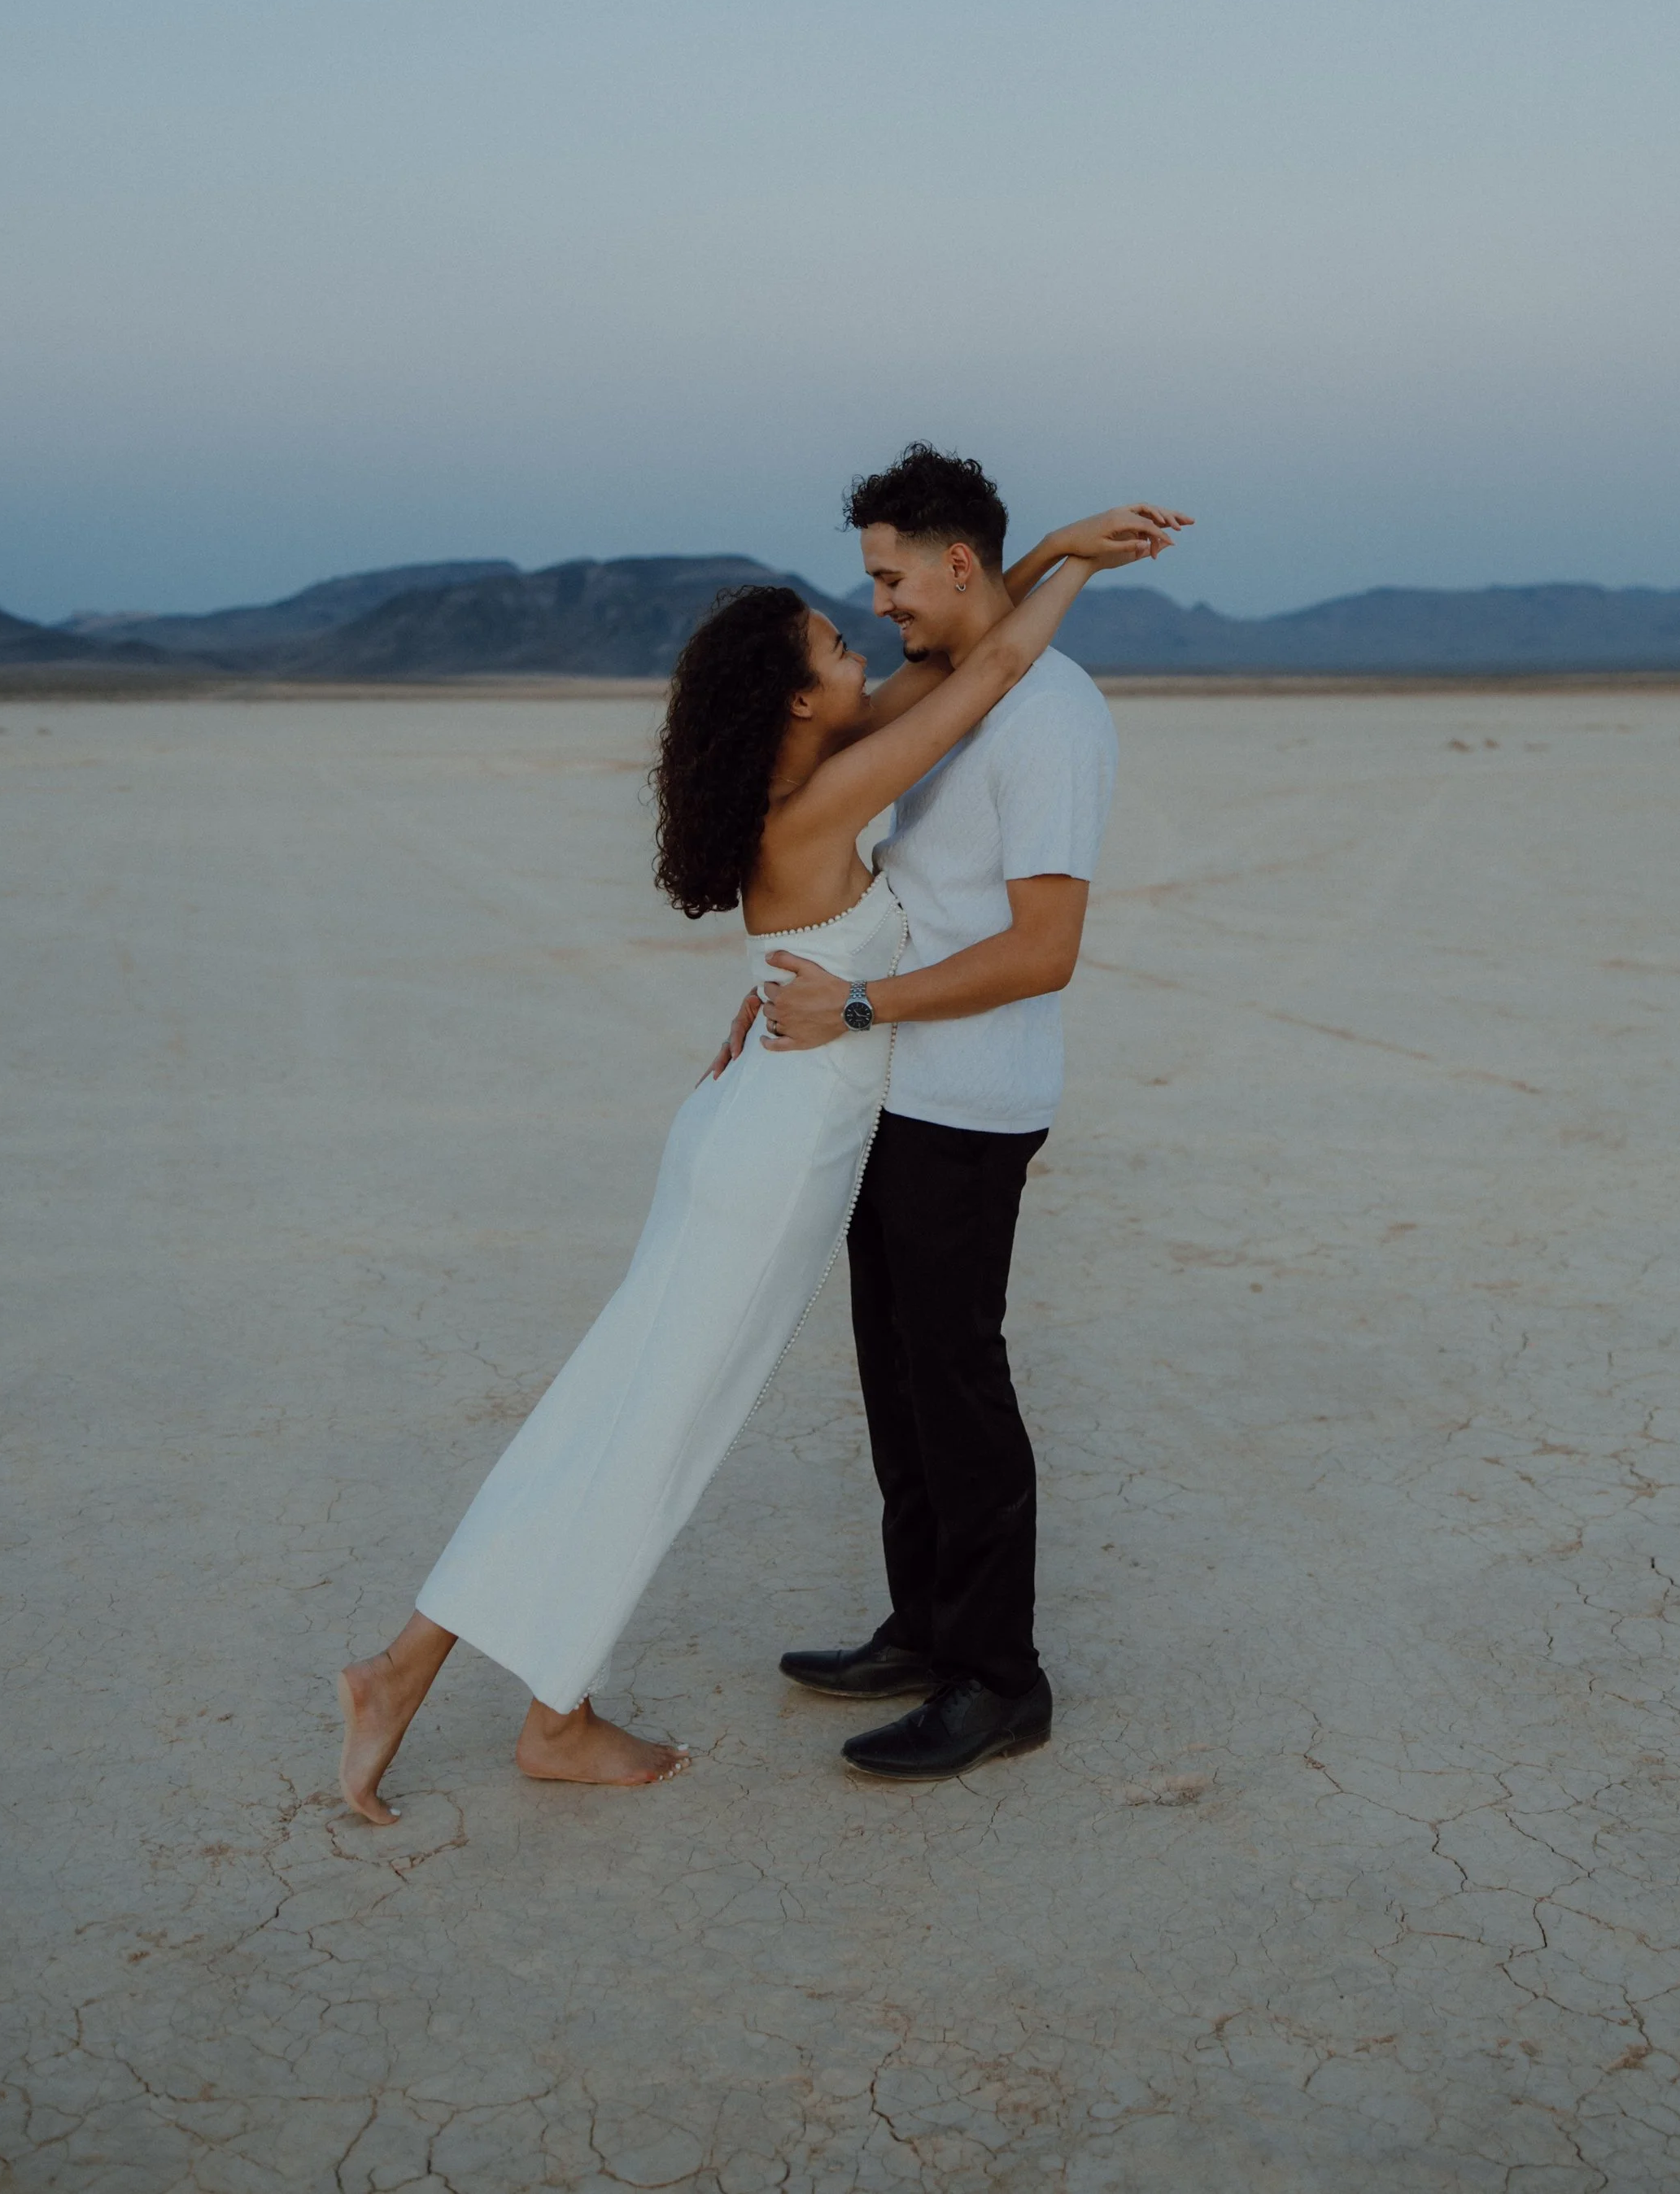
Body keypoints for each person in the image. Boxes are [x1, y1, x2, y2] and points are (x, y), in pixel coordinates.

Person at [334, 491, 1184, 1822]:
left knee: (623, 1404)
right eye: (840, 644)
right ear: (797, 705)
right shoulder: (835, 787)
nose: (871, 637)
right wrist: (1072, 555)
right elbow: (994, 654)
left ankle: (415, 1669)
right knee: (652, 1423)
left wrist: (1042, 561)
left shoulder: (806, 778)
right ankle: (528, 1707)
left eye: (882, 598)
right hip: (781, 1153)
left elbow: (968, 636)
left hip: (764, 1131)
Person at [714, 446, 1189, 1781]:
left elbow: (1044, 948)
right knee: (899, 1381)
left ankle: (999, 1677)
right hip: (887, 1091)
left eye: (888, 576)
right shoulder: (959, 698)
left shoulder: (1051, 721)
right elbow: (895, 860)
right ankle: (923, 1627)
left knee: (959, 1389)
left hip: (967, 1106)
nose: (876, 604)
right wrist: (800, 996)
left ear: (955, 561)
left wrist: (859, 1011)